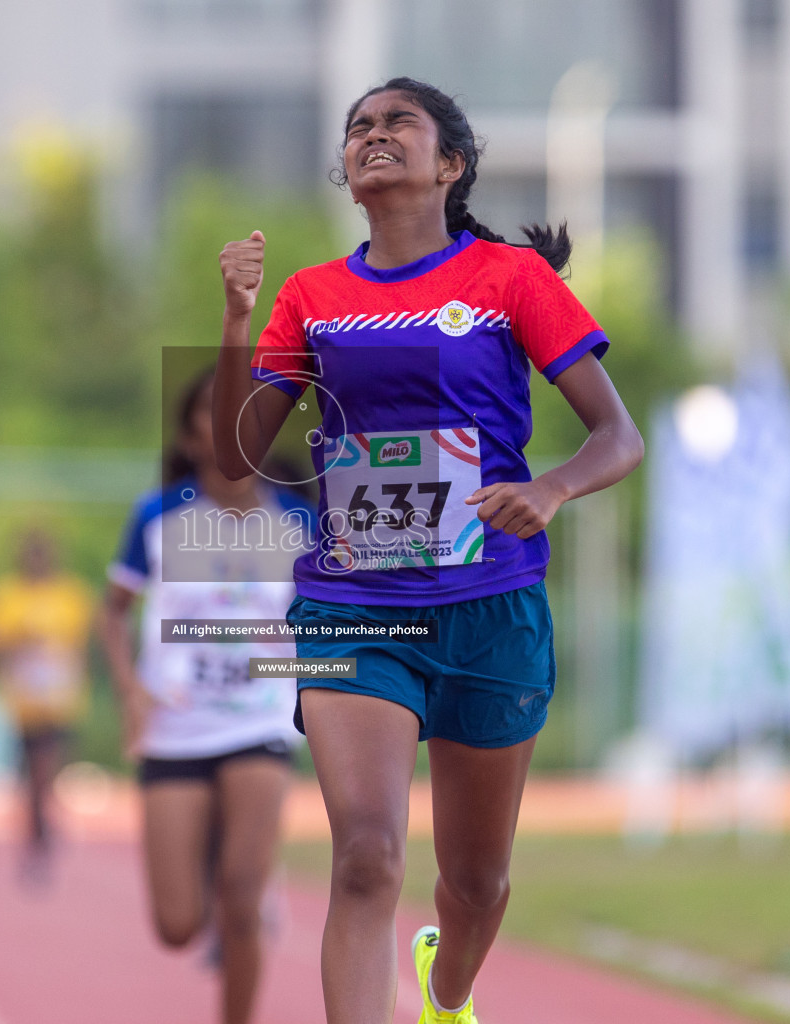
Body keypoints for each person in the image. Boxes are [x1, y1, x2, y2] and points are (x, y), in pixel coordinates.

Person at [212, 78, 645, 1023]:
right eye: (358, 127)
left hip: (493, 605)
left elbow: (620, 437)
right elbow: (237, 456)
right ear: (347, 171)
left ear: (449, 163)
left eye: (396, 122)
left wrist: (550, 488)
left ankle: (446, 993)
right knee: (366, 853)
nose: (373, 135)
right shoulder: (311, 296)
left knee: (478, 884)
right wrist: (239, 319)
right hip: (353, 605)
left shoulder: (511, 282)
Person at [100, 370, 314, 1024]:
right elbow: (112, 612)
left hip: (261, 720)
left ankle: (246, 899)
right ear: (191, 434)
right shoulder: (159, 515)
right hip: (176, 727)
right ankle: (227, 870)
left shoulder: (299, 518)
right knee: (177, 925)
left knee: (243, 901)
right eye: (209, 416)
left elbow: (327, 614)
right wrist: (130, 690)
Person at [0, 529, 94, 882]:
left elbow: (82, 646)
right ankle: (38, 829)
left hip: (58, 704)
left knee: (44, 773)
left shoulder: (70, 596)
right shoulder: (5, 596)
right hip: (19, 704)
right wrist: (16, 642)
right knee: (27, 781)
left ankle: (40, 839)